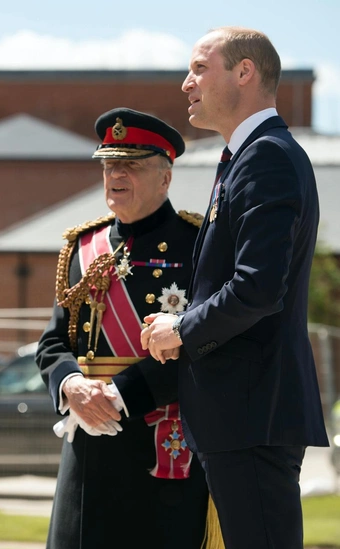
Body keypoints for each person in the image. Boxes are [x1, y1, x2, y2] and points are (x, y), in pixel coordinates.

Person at [142, 27, 328, 549]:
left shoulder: (267, 157)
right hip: (242, 414)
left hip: (252, 414)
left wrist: (182, 328)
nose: (187, 83)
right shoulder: (247, 156)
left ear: (245, 72)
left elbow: (258, 287)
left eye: (200, 68)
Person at [37, 108, 221, 548]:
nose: (116, 175)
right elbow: (53, 343)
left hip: (160, 445)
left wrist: (120, 395)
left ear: (165, 178)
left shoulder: (198, 246)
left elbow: (205, 345)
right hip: (88, 445)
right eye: (109, 164)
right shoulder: (84, 246)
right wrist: (72, 386)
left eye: (132, 165)